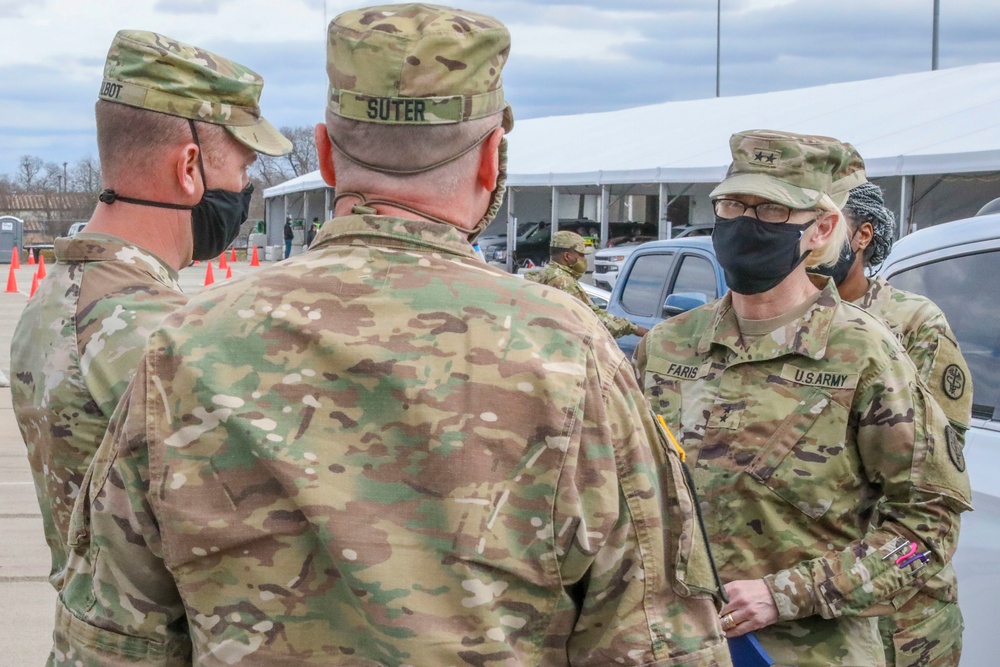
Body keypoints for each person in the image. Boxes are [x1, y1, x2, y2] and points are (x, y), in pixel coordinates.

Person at [56, 5, 733, 665]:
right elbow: (656, 638)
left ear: (324, 152)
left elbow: (115, 639)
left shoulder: (184, 349)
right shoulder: (569, 356)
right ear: (492, 161)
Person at [634, 129, 972, 666]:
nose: (745, 223)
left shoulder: (865, 354)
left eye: (772, 211)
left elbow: (926, 528)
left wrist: (789, 593)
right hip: (679, 646)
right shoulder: (668, 346)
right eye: (732, 204)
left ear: (822, 228)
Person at [9, 29, 290, 595]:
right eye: (241, 169)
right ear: (189, 169)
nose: (244, 188)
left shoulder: (55, 296)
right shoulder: (156, 334)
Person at [811, 179, 972, 667]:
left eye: (826, 225)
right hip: (800, 602)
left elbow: (929, 465)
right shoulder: (779, 318)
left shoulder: (911, 320)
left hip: (897, 611)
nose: (811, 238)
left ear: (861, 237)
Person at [527, 230, 650, 339]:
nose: (584, 259)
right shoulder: (562, 281)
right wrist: (633, 329)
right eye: (581, 255)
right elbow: (591, 319)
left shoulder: (546, 273)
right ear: (567, 256)